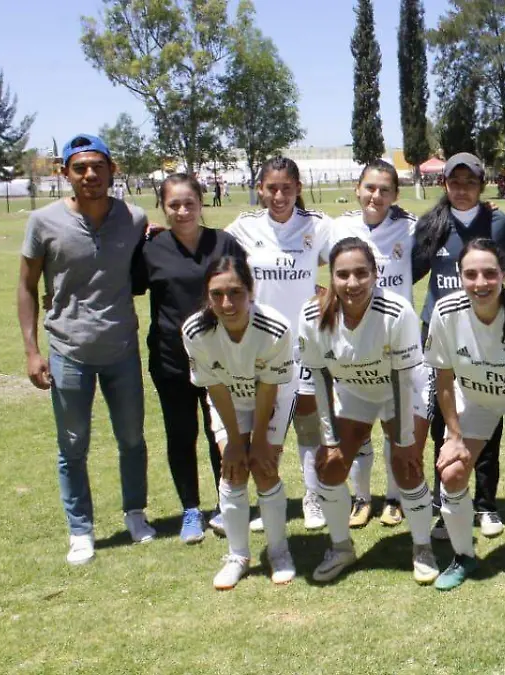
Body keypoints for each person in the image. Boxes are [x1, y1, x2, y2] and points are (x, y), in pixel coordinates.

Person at [18, 134, 155, 565]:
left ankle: (135, 512)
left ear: (113, 170)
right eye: (80, 168)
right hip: (68, 350)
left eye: (98, 166)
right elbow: (25, 286)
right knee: (72, 445)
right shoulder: (43, 222)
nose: (90, 175)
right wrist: (31, 351)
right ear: (65, 174)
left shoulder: (134, 218)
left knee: (131, 437)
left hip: (121, 348)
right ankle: (81, 529)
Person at [298, 238, 435, 583]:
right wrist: (329, 440)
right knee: (327, 468)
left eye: (361, 273)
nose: (352, 282)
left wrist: (404, 441)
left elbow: (404, 381)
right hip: (354, 393)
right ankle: (341, 547)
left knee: (407, 465)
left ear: (375, 274)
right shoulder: (312, 314)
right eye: (342, 274)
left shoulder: (396, 311)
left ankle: (422, 546)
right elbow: (321, 379)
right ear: (332, 277)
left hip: (400, 391)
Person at [426, 238, 505, 593]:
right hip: (476, 400)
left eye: (489, 273)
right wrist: (453, 437)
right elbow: (444, 377)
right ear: (459, 275)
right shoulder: (446, 311)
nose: (480, 283)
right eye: (470, 274)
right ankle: (463, 555)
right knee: (451, 474)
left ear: (504, 274)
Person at [413, 152, 505, 541]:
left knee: (485, 414)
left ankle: (486, 504)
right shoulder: (431, 224)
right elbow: (407, 271)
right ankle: (446, 506)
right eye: (454, 183)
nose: (462, 190)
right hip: (442, 332)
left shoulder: (500, 224)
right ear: (444, 184)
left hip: (487, 331)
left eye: (470, 182)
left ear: (482, 185)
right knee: (442, 423)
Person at [225, 157, 334, 532]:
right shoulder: (244, 227)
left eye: (287, 188)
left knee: (308, 426)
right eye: (271, 187)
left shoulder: (316, 226)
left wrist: (328, 293)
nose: (279, 195)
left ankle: (313, 498)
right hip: (260, 347)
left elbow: (355, 255)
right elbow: (215, 257)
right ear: (260, 189)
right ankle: (264, 499)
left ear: (298, 188)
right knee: (263, 428)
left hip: (304, 344)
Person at [135, 173, 245, 543]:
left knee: (222, 433)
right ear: (163, 207)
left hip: (222, 357)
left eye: (189, 203)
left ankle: (225, 506)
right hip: (171, 359)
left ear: (201, 203)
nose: (182, 211)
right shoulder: (151, 248)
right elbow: (129, 286)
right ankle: (190, 511)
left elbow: (245, 289)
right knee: (181, 434)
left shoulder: (224, 242)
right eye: (174, 204)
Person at [181, 255, 297, 589]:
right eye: (216, 294)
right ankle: (238, 556)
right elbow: (215, 387)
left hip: (271, 396)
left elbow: (269, 388)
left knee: (264, 467)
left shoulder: (274, 328)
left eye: (235, 292)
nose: (226, 303)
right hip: (228, 399)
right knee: (232, 470)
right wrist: (234, 441)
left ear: (251, 291)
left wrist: (259, 439)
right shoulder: (196, 330)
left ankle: (279, 552)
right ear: (206, 295)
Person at [331, 160, 428, 529]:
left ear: (395, 195)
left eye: (385, 190)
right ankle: (361, 497)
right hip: (351, 343)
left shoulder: (409, 227)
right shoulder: (338, 227)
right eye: (370, 188)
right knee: (356, 426)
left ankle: (394, 497)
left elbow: (448, 225)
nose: (376, 196)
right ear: (358, 188)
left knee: (395, 425)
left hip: (396, 343)